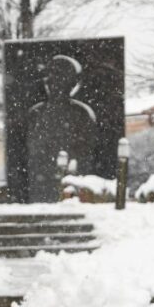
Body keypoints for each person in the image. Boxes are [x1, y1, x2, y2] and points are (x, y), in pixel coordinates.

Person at [24, 55, 99, 202]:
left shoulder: (81, 113)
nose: (53, 84)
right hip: (40, 184)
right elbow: (32, 149)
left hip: (71, 184)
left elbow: (86, 151)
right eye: (49, 79)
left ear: (71, 83)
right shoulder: (35, 113)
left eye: (60, 78)